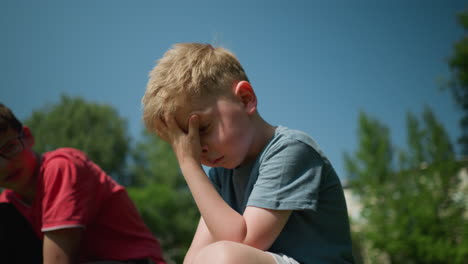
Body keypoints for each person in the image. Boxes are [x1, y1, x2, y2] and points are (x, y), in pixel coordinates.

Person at [141, 43, 355, 264]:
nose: (196, 149)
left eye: (202, 128)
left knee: (223, 257)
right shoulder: (222, 177)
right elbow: (194, 258)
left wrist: (188, 165)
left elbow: (243, 242)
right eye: (187, 142)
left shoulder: (290, 150)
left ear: (245, 99)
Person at [0, 103, 166, 264]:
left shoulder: (60, 167)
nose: (5, 165)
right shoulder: (8, 207)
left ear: (27, 136)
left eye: (10, 147)